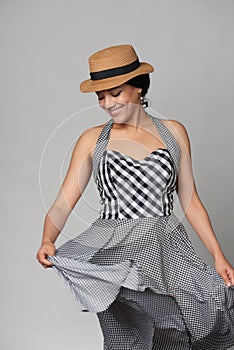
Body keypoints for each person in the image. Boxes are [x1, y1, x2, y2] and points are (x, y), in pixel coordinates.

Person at [36, 44, 234, 349]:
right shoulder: (92, 139)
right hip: (117, 249)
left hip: (165, 245)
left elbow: (190, 200)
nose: (107, 104)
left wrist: (219, 255)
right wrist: (48, 238)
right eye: (101, 97)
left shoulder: (174, 132)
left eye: (115, 93)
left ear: (138, 87)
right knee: (132, 332)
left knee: (184, 324)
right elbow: (64, 202)